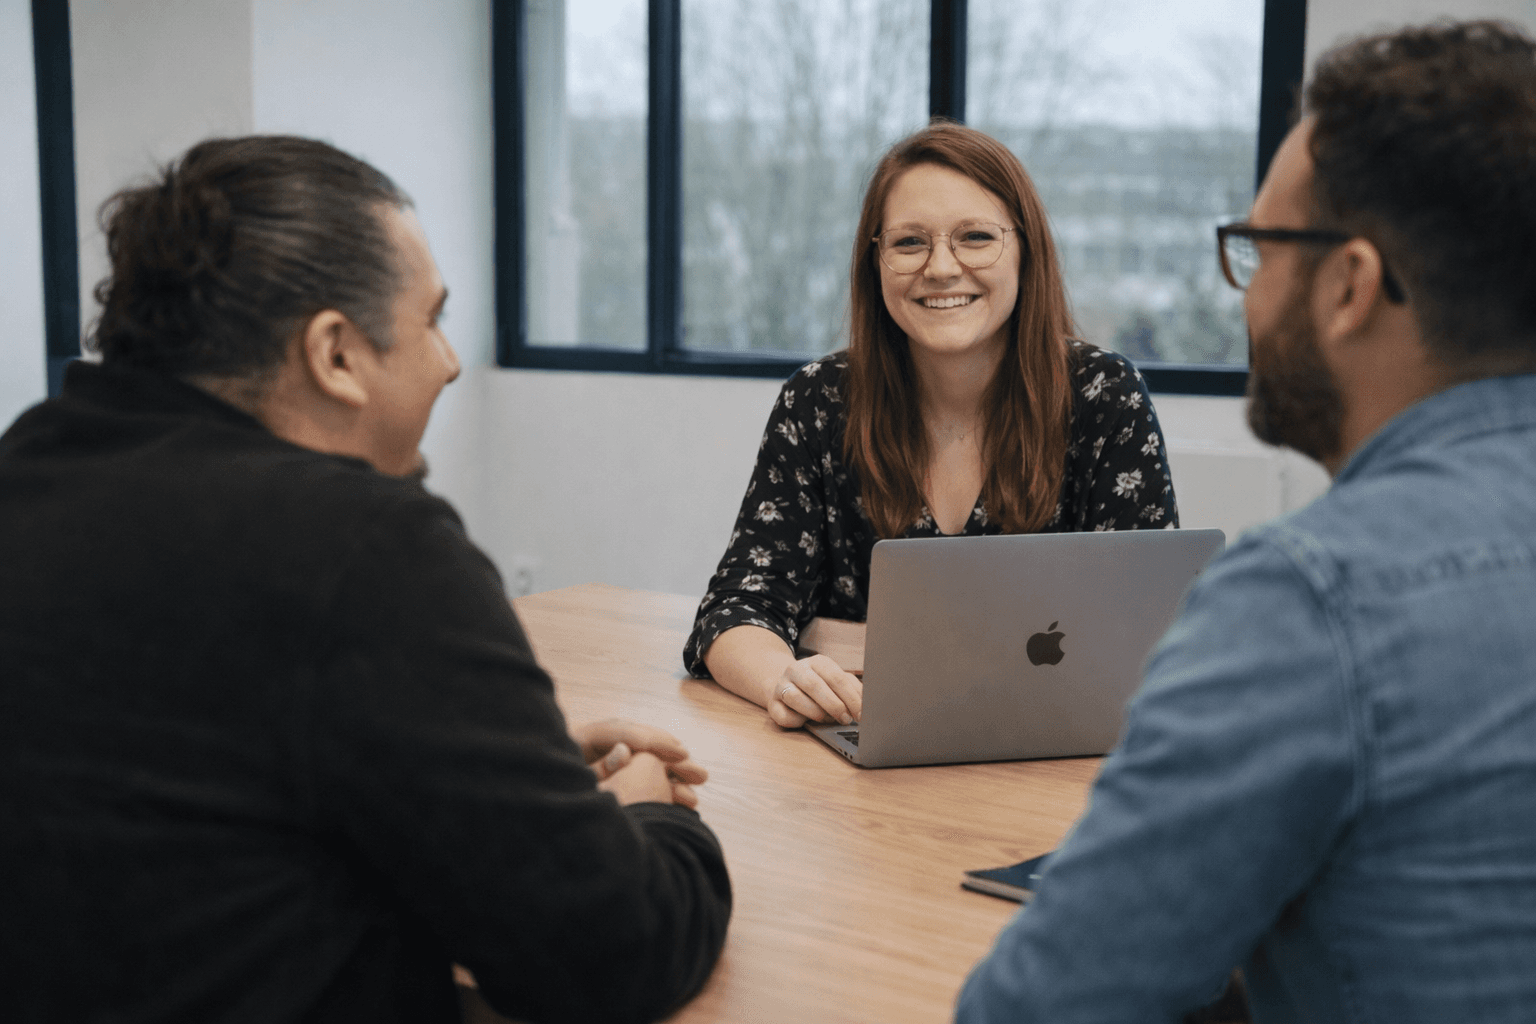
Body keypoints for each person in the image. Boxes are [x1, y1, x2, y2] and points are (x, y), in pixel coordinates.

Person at [0, 136, 730, 1024]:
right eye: (433, 320)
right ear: (335, 355)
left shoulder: (30, 464)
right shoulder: (367, 547)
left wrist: (479, 763)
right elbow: (613, 952)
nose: (453, 361)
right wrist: (651, 821)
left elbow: (167, 777)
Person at [956, 20, 1536, 1023]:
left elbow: (1042, 1007)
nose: (1248, 293)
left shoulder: (1312, 597)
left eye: (1259, 248)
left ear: (1349, 286)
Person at [684, 122, 1180, 728]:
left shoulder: (1104, 396)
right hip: (852, 757)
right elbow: (737, 609)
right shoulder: (819, 401)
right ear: (876, 262)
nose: (942, 268)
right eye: (909, 243)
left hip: (1049, 754)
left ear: (1027, 250)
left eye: (975, 237)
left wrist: (841, 639)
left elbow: (1146, 627)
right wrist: (783, 678)